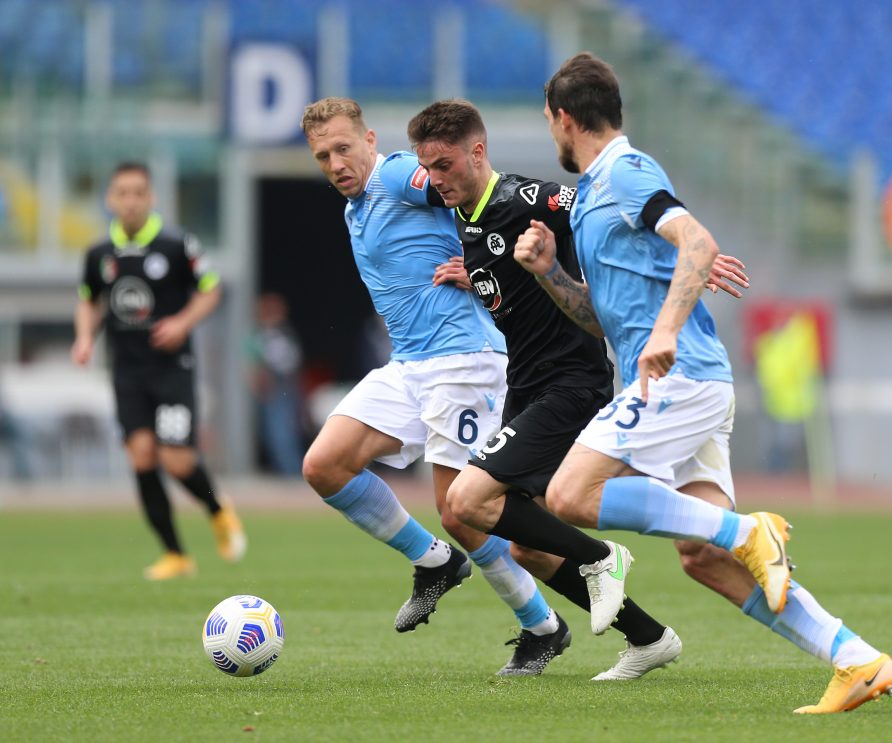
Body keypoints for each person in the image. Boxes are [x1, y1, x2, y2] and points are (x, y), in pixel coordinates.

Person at [512, 52, 892, 713]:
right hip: (683, 380)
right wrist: (550, 272)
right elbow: (605, 320)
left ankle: (747, 530)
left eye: (549, 121)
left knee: (570, 494)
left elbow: (698, 243)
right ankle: (855, 658)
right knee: (702, 555)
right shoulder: (594, 198)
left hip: (678, 377)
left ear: (563, 117)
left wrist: (666, 331)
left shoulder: (626, 171)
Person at [407, 99, 748, 680]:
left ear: (477, 153)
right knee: (527, 546)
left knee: (465, 502)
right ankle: (649, 638)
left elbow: (608, 214)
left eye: (444, 165)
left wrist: (687, 255)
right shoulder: (466, 214)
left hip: (570, 383)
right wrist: (483, 276)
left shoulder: (527, 198)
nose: (435, 179)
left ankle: (603, 555)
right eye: (427, 168)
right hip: (527, 385)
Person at [300, 97, 568, 676]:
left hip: (464, 361)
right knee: (324, 466)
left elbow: (476, 194)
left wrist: (491, 267)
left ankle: (543, 627)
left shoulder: (399, 175)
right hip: (409, 366)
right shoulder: (355, 209)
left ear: (370, 140)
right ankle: (434, 562)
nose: (336, 163)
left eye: (344, 148)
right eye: (323, 156)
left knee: (462, 513)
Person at [71, 162, 246, 580]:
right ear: (110, 199)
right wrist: (84, 338)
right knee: (142, 456)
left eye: (138, 193)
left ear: (151, 198)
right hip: (126, 372)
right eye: (122, 193)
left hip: (172, 370)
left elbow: (211, 290)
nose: (130, 201)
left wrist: (182, 323)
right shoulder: (99, 254)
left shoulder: (175, 245)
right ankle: (175, 554)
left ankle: (217, 508)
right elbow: (89, 300)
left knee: (177, 460)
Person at [247, 292, 305, 476]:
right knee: (274, 433)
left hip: (284, 388)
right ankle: (288, 472)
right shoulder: (261, 334)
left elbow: (292, 363)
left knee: (283, 432)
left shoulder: (282, 332)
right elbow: (252, 365)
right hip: (270, 389)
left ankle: (292, 473)